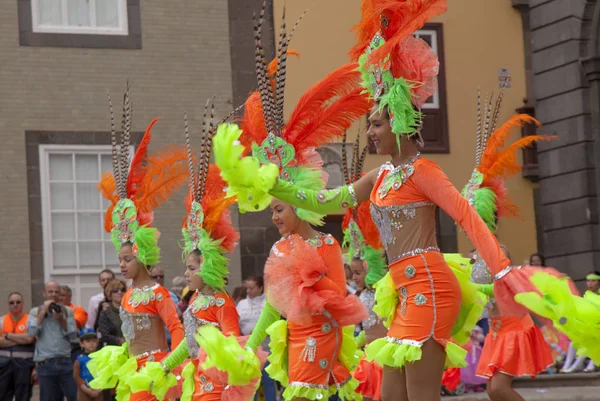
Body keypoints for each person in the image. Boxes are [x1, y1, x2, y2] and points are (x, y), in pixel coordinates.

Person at [210, 2, 523, 400]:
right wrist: (271, 183)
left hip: (429, 285)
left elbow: (464, 215)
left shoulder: (425, 172)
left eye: (376, 122)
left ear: (398, 121)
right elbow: (326, 200)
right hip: (404, 291)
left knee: (420, 394)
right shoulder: (380, 176)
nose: (370, 131)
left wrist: (502, 271)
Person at [204, 9, 372, 397]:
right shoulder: (280, 248)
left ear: (298, 203)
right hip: (294, 341)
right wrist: (250, 346)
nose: (275, 216)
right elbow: (272, 305)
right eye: (272, 209)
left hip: (321, 339)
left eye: (279, 208)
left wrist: (311, 274)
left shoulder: (325, 244)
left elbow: (340, 300)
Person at [131, 107, 256, 400]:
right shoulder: (198, 299)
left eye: (191, 267)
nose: (186, 273)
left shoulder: (222, 302)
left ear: (207, 266)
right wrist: (167, 366)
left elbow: (232, 343)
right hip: (197, 382)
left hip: (216, 388)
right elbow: (189, 344)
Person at [87, 89, 186, 401]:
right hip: (134, 370)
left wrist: (168, 366)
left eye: (127, 259)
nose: (121, 265)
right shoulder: (129, 294)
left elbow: (179, 331)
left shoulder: (159, 294)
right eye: (120, 258)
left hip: (155, 370)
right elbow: (132, 338)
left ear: (141, 257)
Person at [27, 281, 78, 401]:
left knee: (74, 397)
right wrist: (43, 313)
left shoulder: (67, 311)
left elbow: (73, 336)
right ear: (44, 294)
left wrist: (61, 320)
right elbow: (31, 333)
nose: (53, 294)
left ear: (60, 294)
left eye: (56, 292)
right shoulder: (35, 312)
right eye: (50, 291)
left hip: (65, 362)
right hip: (46, 363)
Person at [237, 276, 277, 401]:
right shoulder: (241, 304)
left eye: (252, 288)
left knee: (268, 381)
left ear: (260, 288)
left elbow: (275, 323)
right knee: (251, 383)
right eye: (246, 288)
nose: (248, 291)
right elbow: (236, 324)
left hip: (267, 349)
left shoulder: (268, 303)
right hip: (248, 350)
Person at [559, 271, 600, 373]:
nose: (590, 283)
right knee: (574, 343)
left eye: (593, 281)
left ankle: (584, 364)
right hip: (591, 327)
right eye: (588, 281)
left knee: (590, 340)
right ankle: (567, 365)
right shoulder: (587, 296)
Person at [0, 292, 35, 401]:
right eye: (12, 302)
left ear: (22, 304)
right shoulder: (1, 321)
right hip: (4, 365)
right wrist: (21, 339)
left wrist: (8, 336)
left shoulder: (30, 320)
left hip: (24, 366)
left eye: (18, 302)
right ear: (8, 304)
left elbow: (30, 338)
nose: (15, 304)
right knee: (3, 396)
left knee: (23, 397)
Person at [74, 328, 102, 401]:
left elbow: (105, 374)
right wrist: (87, 389)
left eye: (94, 341)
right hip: (84, 391)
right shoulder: (79, 360)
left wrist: (98, 390)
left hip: (99, 391)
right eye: (88, 341)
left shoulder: (101, 358)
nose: (91, 343)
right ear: (81, 344)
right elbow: (76, 376)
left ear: (97, 342)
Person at [96, 279, 126, 347]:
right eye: (115, 290)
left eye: (123, 290)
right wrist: (119, 340)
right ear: (109, 294)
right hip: (113, 349)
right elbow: (104, 334)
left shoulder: (131, 309)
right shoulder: (106, 311)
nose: (120, 292)